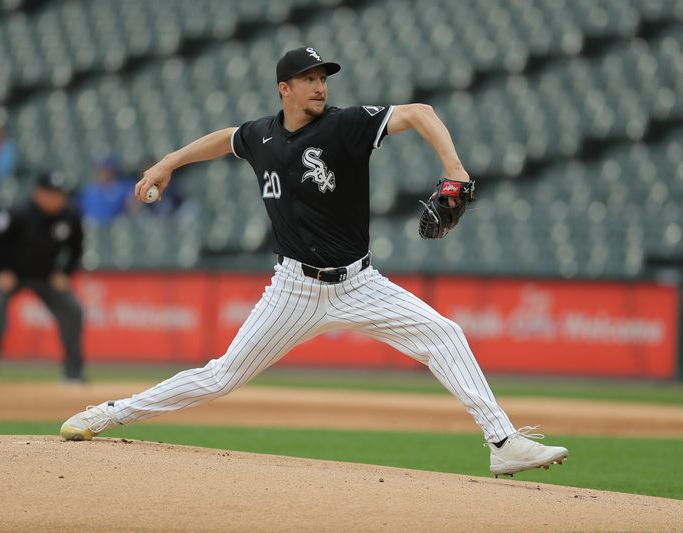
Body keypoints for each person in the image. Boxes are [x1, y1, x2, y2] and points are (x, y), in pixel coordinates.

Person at [60, 47, 568, 476]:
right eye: (309, 79)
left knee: (445, 336)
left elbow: (419, 113)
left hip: (358, 282)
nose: (320, 86)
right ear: (284, 88)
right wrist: (166, 164)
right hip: (293, 291)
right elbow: (224, 138)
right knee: (222, 377)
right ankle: (109, 414)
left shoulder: (345, 126)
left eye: (323, 77)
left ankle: (502, 443)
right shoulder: (261, 136)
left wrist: (454, 169)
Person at [0, 172, 85, 384]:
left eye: (61, 195)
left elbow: (77, 249)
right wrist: (0, 270)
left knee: (73, 310)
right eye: (52, 194)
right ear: (38, 193)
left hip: (46, 275)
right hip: (11, 274)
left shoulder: (70, 215)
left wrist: (65, 273)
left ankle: (73, 373)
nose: (58, 199)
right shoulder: (17, 213)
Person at [78, 154, 134, 224]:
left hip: (117, 226)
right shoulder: (88, 189)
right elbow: (83, 211)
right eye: (100, 169)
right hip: (93, 226)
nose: (103, 173)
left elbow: (133, 209)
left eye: (106, 169)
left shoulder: (124, 187)